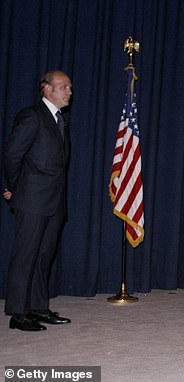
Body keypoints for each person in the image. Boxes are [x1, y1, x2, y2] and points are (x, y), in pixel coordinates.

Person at [2, 70, 72, 331]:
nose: (69, 92)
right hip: (31, 199)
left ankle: (39, 307)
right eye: (63, 87)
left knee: (44, 256)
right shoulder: (33, 116)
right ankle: (18, 314)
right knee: (25, 256)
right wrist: (14, 187)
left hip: (54, 201)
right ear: (47, 89)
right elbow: (12, 155)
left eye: (70, 88)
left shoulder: (59, 120)